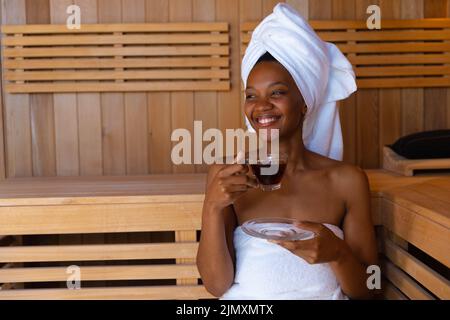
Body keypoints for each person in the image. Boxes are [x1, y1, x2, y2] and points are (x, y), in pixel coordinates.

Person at [196, 3, 378, 300]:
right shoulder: (227, 177)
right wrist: (213, 206)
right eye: (251, 95)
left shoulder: (347, 181)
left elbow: (370, 289)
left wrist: (338, 253)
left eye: (277, 92)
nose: (261, 106)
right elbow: (216, 287)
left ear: (305, 101)